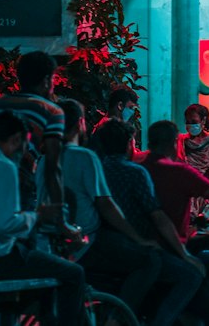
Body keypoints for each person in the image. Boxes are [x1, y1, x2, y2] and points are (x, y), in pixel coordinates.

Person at [0, 110, 86, 326]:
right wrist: (38, 216)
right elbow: (6, 224)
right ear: (17, 140)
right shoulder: (3, 167)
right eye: (25, 144)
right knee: (74, 273)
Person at [37, 100, 167, 324]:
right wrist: (137, 239)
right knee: (150, 261)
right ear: (80, 123)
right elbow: (107, 206)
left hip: (51, 244)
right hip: (85, 242)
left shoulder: (44, 160)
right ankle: (116, 320)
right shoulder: (85, 157)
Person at [91, 118, 204, 326]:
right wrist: (185, 255)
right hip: (129, 247)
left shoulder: (96, 170)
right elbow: (158, 216)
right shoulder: (135, 172)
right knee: (191, 275)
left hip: (98, 246)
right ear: (129, 144)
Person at [0, 50, 65, 212]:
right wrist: (60, 212)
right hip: (19, 187)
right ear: (47, 80)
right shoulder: (52, 112)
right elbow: (52, 167)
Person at [105, 86, 142, 155]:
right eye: (130, 107)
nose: (132, 112)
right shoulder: (111, 128)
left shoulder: (106, 125)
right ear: (120, 105)